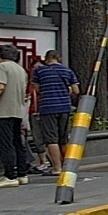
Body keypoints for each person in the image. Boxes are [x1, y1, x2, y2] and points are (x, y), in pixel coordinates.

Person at [0, 45, 33, 187]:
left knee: (5, 144)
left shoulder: (2, 67)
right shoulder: (21, 70)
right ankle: (22, 173)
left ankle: (10, 176)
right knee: (17, 143)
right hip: (17, 110)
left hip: (2, 111)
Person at [31, 49, 79, 177]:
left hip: (47, 108)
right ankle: (68, 166)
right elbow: (76, 90)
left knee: (51, 139)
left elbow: (37, 89)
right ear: (59, 58)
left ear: (46, 59)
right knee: (63, 139)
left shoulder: (39, 71)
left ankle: (57, 168)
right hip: (64, 107)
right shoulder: (67, 71)